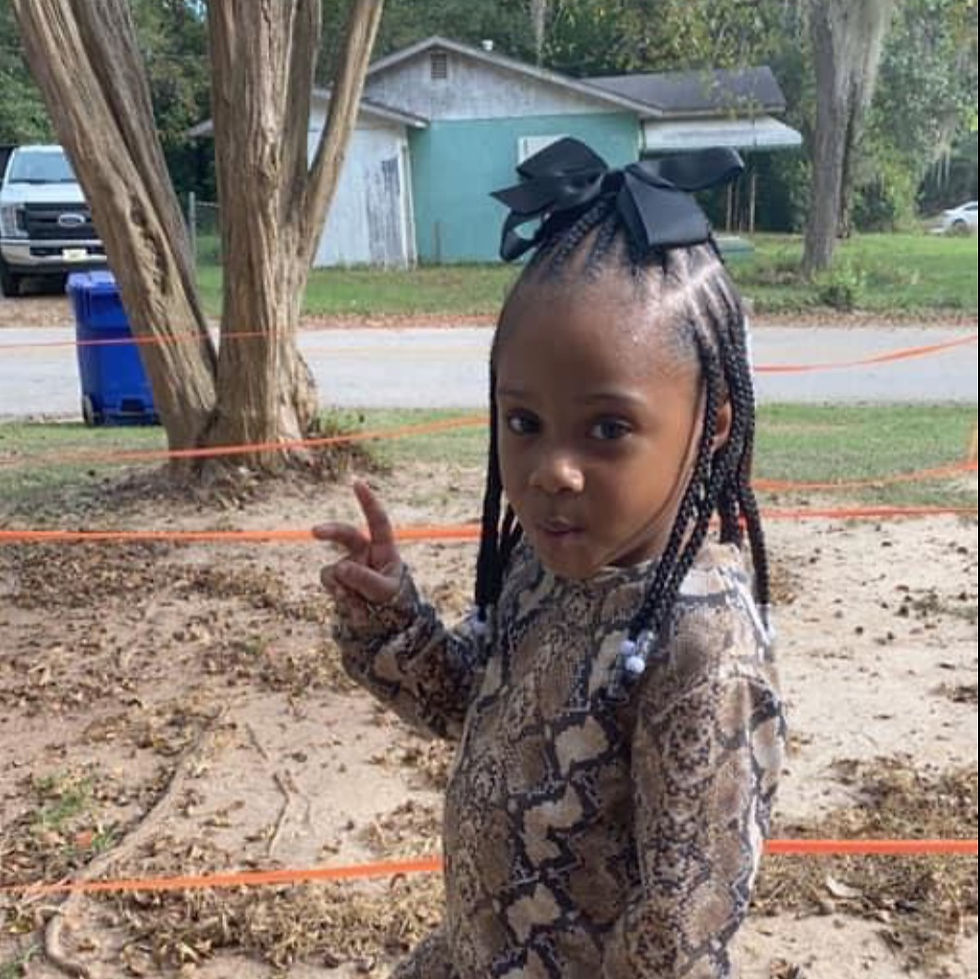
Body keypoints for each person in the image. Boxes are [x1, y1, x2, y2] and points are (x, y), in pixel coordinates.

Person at [314, 138, 786, 979]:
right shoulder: (546, 563)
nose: (551, 470)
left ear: (710, 425)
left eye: (607, 428)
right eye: (524, 423)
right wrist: (391, 618)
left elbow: (677, 932)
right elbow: (467, 699)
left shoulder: (700, 651)